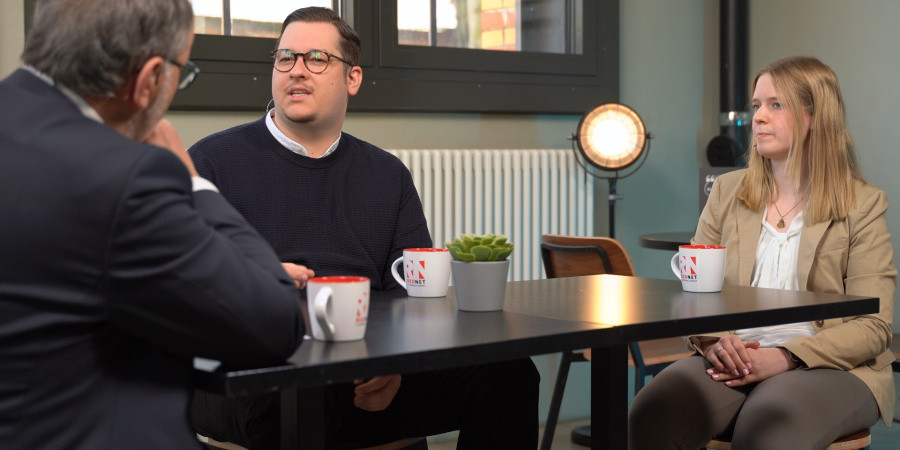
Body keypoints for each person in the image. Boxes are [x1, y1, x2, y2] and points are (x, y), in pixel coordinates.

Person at [188, 7, 540, 449]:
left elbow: (415, 295)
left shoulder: (386, 173)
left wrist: (396, 363)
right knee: (294, 393)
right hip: (252, 370)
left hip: (366, 368)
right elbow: (183, 286)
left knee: (507, 373)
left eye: (316, 58)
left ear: (352, 78)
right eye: (285, 58)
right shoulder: (211, 161)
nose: (296, 70)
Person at [0, 0, 306, 448]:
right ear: (148, 80)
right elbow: (276, 323)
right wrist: (192, 178)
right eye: (182, 73)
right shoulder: (121, 179)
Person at [628, 56, 896, 449]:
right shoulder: (726, 191)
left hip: (830, 364)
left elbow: (873, 327)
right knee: (653, 411)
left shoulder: (863, 203)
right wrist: (716, 342)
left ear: (814, 116)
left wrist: (786, 356)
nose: (758, 118)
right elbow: (695, 296)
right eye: (756, 105)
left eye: (776, 104)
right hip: (731, 355)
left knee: (768, 424)